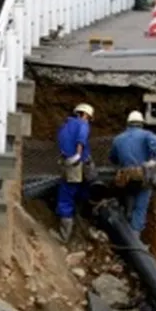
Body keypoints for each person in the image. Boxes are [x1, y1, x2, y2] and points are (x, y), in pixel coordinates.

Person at [109, 111, 156, 234]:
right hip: (142, 176)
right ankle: (135, 234)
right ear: (141, 123)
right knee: (140, 206)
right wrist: (153, 160)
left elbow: (113, 158)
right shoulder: (147, 135)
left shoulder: (118, 139)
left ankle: (126, 221)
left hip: (125, 177)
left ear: (128, 123)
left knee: (129, 198)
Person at [56, 103, 94, 242]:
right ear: (85, 115)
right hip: (77, 164)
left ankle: (75, 225)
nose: (88, 121)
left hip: (68, 163)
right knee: (69, 196)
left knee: (69, 194)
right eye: (89, 118)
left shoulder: (65, 125)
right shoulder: (82, 124)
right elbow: (81, 139)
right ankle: (65, 236)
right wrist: (78, 155)